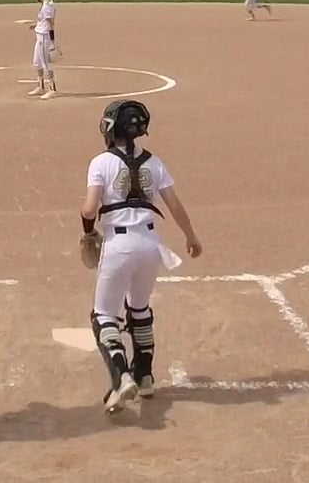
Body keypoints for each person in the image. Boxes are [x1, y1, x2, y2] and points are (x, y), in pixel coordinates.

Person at [79, 99, 203, 411]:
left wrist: (88, 231)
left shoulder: (101, 162)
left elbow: (90, 209)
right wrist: (190, 236)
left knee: (104, 315)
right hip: (150, 244)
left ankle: (121, 377)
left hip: (119, 245)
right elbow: (174, 205)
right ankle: (145, 375)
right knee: (140, 308)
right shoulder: (154, 162)